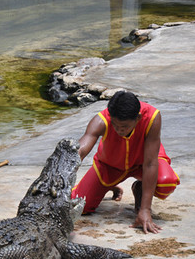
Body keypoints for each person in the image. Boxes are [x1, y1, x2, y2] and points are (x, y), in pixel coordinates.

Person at [71, 91, 180, 234]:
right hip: (110, 165)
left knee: (167, 182)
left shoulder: (152, 117)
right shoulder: (101, 120)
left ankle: (140, 189)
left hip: (143, 162)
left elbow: (150, 164)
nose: (119, 130)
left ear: (138, 118)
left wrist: (145, 209)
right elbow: (80, 150)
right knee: (79, 206)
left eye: (124, 126)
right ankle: (109, 185)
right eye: (115, 125)